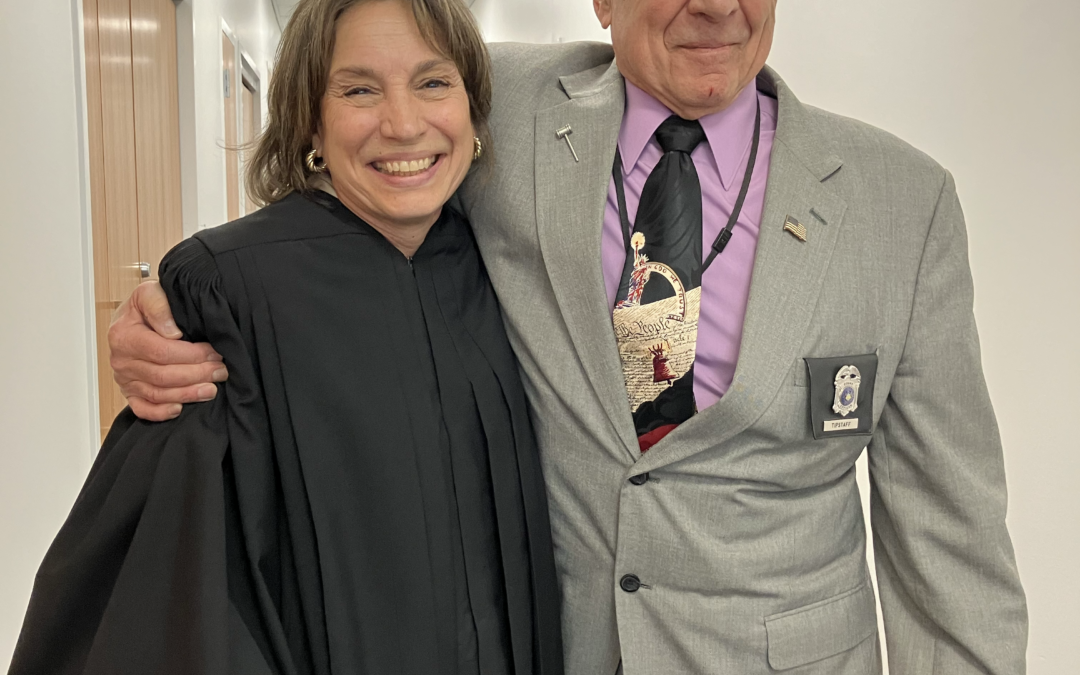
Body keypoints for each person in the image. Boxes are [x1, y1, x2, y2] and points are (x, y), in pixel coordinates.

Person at [104, 0, 1029, 673]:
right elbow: (364, 159)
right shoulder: (490, 97)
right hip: (559, 648)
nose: (713, 8)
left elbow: (950, 534)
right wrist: (173, 302)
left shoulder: (903, 203)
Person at [10, 1, 564, 674]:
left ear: (474, 108)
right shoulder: (234, 292)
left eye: (433, 82)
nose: (404, 123)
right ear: (311, 120)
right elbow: (177, 590)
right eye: (359, 89)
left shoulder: (505, 263)